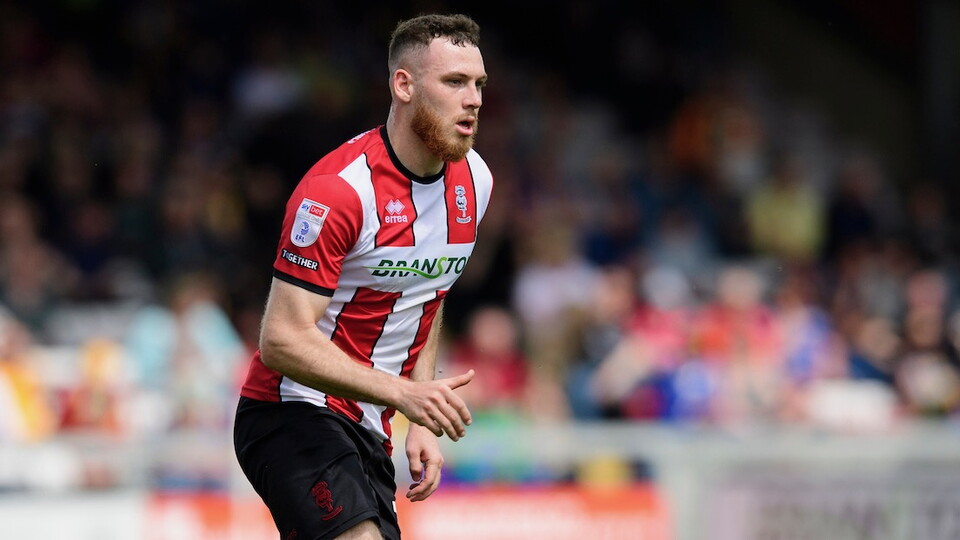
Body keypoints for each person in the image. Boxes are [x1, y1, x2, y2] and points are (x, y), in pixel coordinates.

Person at [233, 13, 492, 540]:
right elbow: (280, 340)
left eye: (479, 84)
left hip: (371, 426)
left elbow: (426, 294)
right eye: (454, 82)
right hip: (291, 409)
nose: (473, 100)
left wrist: (419, 416)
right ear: (404, 85)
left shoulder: (476, 182)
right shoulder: (339, 191)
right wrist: (404, 395)